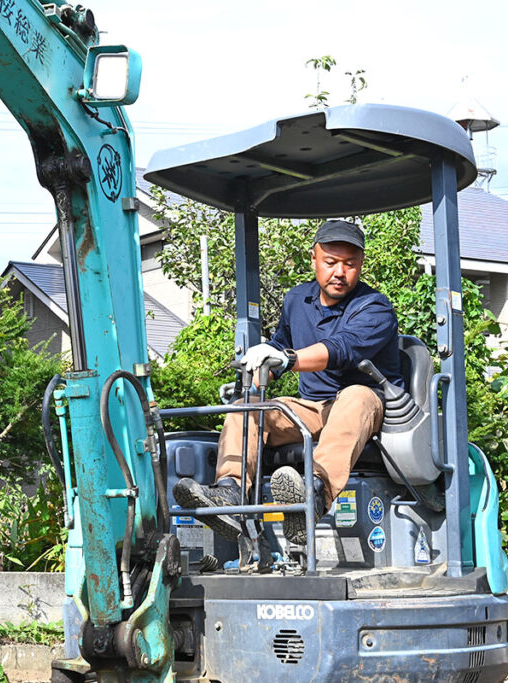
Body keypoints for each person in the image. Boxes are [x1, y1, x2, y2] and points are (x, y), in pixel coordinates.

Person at [173, 219, 404, 545]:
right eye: (331, 262)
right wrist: (263, 361)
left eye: (349, 265)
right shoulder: (297, 300)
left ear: (360, 265)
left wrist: (290, 359)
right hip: (313, 409)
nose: (340, 272)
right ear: (313, 259)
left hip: (367, 410)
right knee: (248, 407)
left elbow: (342, 350)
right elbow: (281, 346)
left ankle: (313, 495)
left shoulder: (375, 307)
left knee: (356, 395)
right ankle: (230, 494)